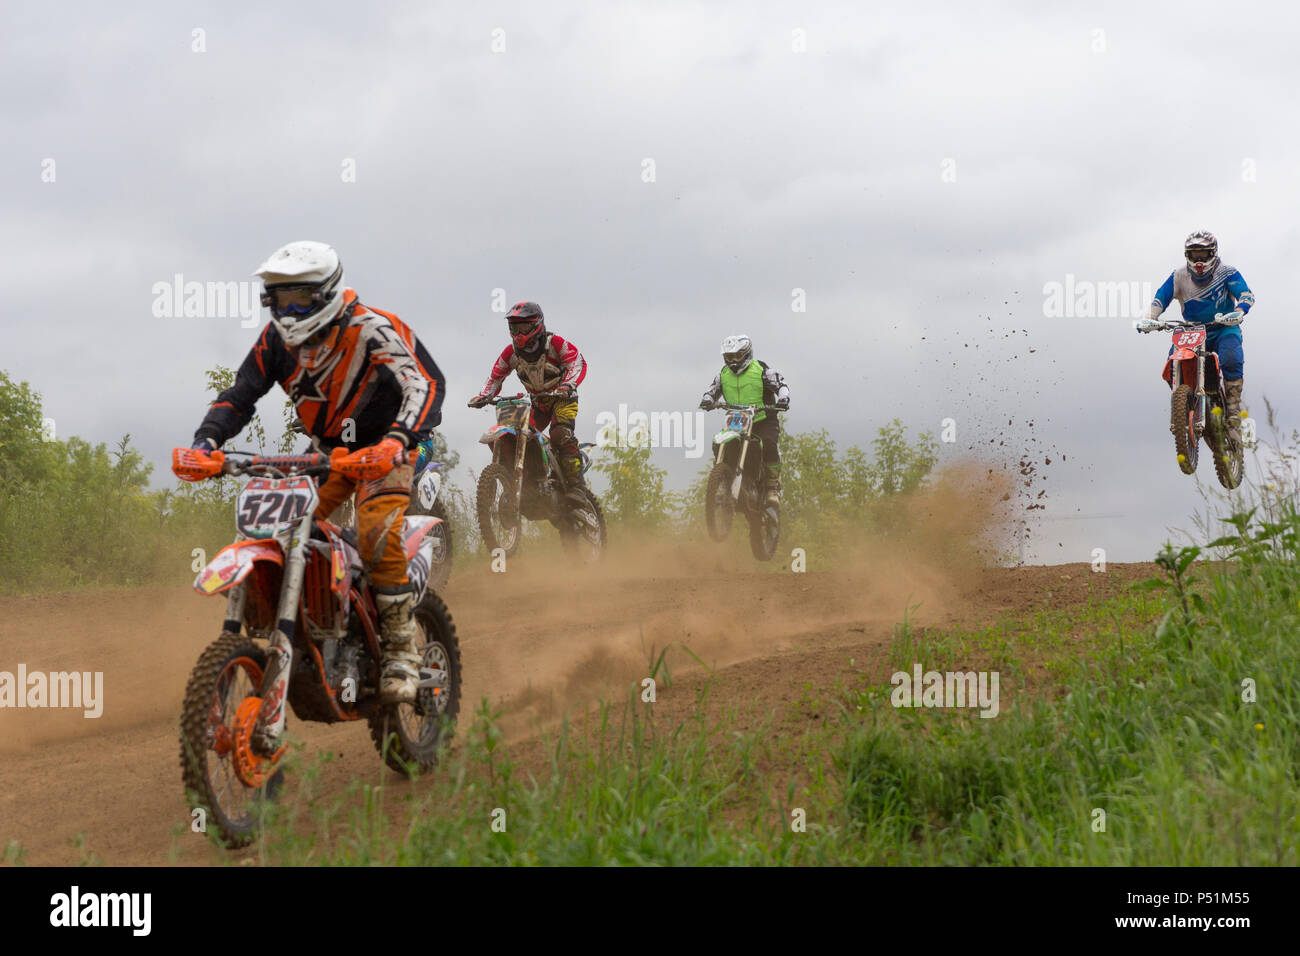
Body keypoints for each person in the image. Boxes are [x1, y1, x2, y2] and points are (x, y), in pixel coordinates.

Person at [175, 240, 446, 703]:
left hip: (388, 448)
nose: (289, 309)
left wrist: (397, 440)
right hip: (328, 452)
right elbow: (239, 395)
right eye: (279, 299)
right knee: (277, 529)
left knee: (377, 531)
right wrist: (206, 442)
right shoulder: (275, 342)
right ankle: (311, 624)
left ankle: (401, 648)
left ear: (326, 293)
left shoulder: (371, 329)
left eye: (298, 298)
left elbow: (423, 383)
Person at [1144, 230, 1255, 441]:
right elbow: (1161, 297)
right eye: (1194, 255)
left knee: (1231, 356)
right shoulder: (1179, 276)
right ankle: (1186, 403)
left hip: (1223, 327)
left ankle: (1232, 412)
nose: (1199, 260)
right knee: (1171, 362)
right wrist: (1150, 318)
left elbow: (1246, 294)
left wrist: (1239, 311)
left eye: (1203, 255)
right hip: (1192, 331)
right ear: (1187, 255)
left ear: (1213, 253)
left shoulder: (1227, 272)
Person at [468, 301, 588, 494]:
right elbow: (495, 378)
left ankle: (577, 489)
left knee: (560, 435)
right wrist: (484, 396)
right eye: (515, 328)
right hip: (538, 403)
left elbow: (577, 363)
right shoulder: (511, 353)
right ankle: (527, 483)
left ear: (537, 324)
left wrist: (568, 385)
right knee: (513, 435)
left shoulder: (555, 344)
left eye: (524, 327)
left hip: (562, 399)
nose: (520, 333)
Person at [699, 334, 790, 505]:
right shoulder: (723, 374)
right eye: (728, 357)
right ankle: (723, 480)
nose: (733, 361)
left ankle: (772, 487)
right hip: (737, 420)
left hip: (763, 418)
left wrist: (784, 399)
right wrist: (708, 399)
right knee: (719, 443)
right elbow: (712, 390)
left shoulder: (762, 370)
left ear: (747, 354)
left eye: (737, 356)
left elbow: (781, 385)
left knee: (769, 444)